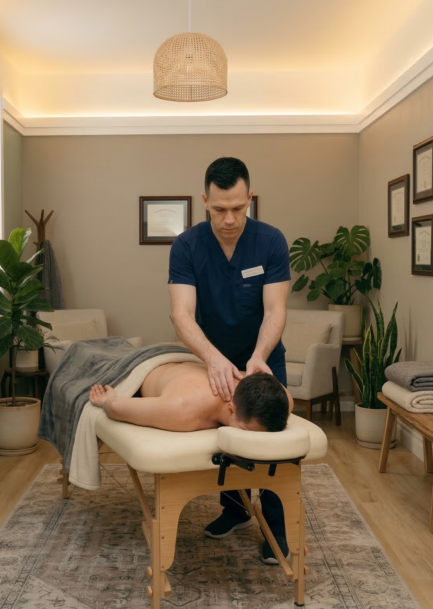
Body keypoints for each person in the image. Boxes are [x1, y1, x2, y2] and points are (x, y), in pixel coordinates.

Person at [168, 156, 292, 564]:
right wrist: (214, 359)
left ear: (249, 198)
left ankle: (276, 531)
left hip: (263, 356)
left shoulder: (271, 240)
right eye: (220, 209)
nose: (229, 219)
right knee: (228, 437)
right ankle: (235, 511)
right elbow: (181, 315)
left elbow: (275, 310)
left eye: (239, 208)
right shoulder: (186, 246)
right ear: (204, 201)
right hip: (215, 356)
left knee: (274, 441)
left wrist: (259, 355)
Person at [88, 365, 291, 432]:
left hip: (190, 365)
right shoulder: (184, 409)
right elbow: (115, 407)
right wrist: (107, 398)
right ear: (231, 408)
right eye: (246, 432)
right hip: (150, 366)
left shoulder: (282, 400)